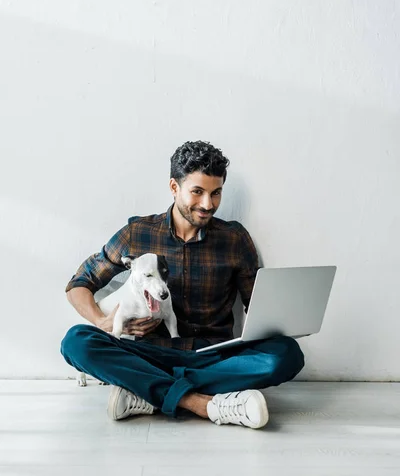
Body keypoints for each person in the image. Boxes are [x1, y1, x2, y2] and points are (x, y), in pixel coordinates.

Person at [61, 141, 304, 429]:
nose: (208, 204)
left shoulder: (234, 239)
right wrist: (102, 321)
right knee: (76, 342)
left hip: (212, 355)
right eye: (197, 192)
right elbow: (79, 284)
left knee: (287, 354)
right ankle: (204, 403)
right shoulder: (137, 233)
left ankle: (149, 392)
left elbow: (259, 306)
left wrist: (279, 318)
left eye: (216, 193)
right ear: (174, 188)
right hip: (148, 354)